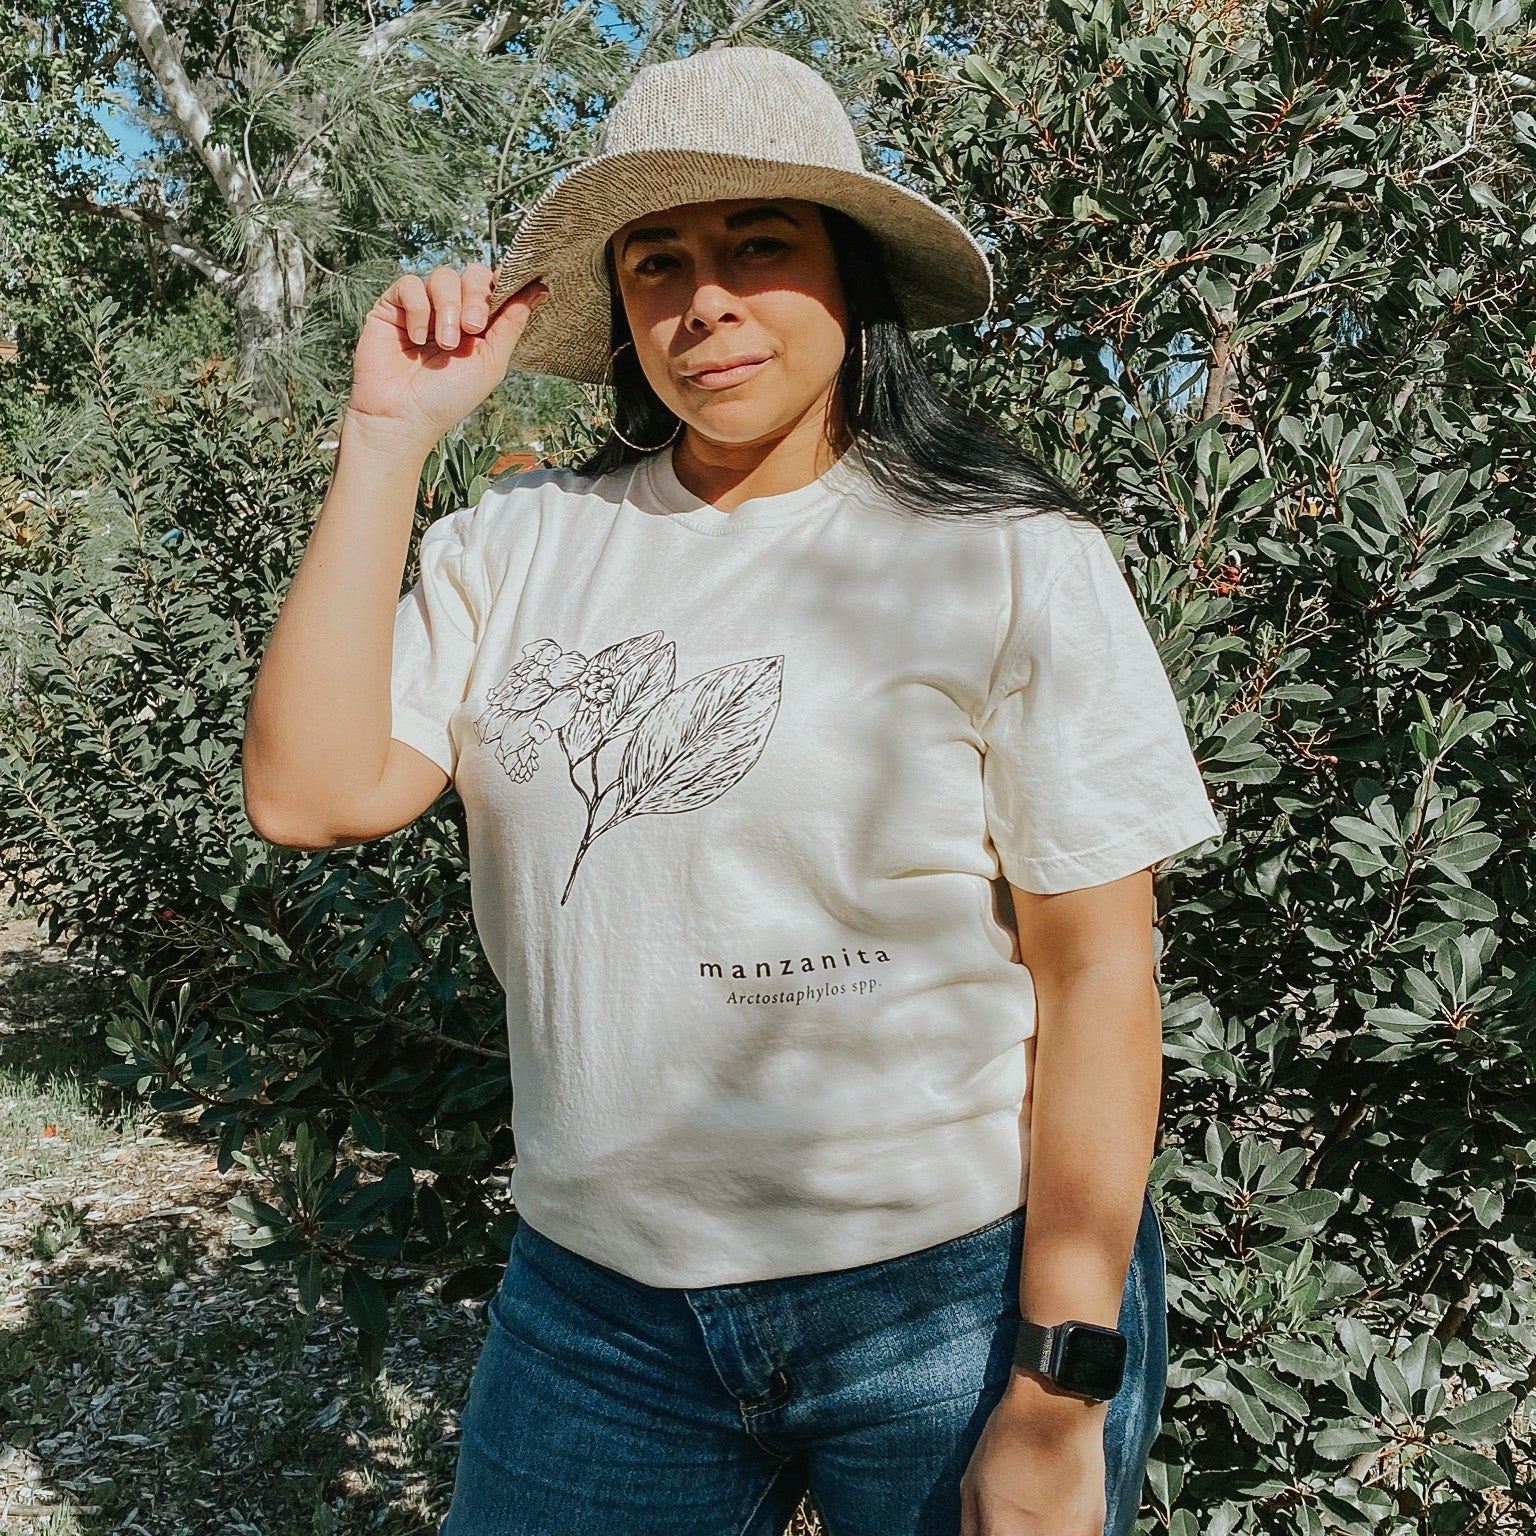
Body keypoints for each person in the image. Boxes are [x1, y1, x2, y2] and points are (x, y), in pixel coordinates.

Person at [241, 44, 1225, 1536]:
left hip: (946, 1298)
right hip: (598, 1310)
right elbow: (311, 795)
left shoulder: (1008, 557)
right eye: (658, 263)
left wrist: (1056, 1386)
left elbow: (1099, 978)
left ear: (849, 281)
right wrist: (385, 444)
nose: (704, 300)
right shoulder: (518, 548)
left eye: (759, 245)